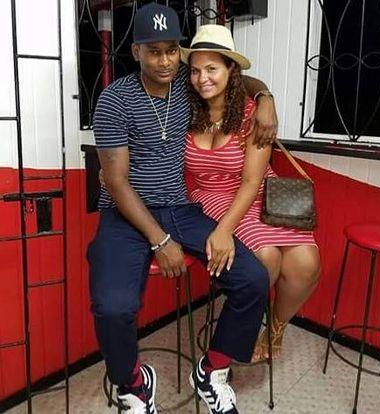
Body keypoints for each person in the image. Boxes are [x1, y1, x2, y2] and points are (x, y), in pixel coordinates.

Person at [88, 3, 278, 414]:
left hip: (180, 209)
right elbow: (116, 182)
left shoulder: (188, 85)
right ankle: (134, 385)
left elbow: (236, 78)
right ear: (136, 51)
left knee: (253, 279)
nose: (164, 61)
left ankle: (212, 369)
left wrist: (266, 99)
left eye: (172, 50)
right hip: (125, 214)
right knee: (113, 307)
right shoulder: (114, 100)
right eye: (153, 51)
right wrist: (160, 242)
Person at [181, 24, 321, 363]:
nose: (202, 78)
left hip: (254, 190)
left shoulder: (251, 115)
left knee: (306, 261)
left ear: (231, 70)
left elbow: (251, 182)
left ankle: (274, 330)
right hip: (209, 195)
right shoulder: (182, 109)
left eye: (212, 68)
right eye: (196, 70)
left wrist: (264, 99)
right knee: (266, 257)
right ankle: (235, 334)